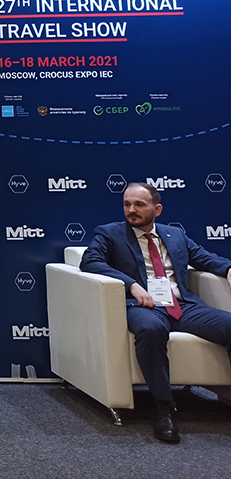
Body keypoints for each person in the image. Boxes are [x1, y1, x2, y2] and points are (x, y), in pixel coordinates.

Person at [81, 182, 231, 444]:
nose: (131, 210)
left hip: (182, 306)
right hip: (141, 306)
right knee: (151, 329)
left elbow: (205, 258)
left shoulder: (175, 235)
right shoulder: (110, 233)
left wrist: (228, 268)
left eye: (139, 204)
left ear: (157, 209)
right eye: (127, 204)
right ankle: (164, 408)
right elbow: (90, 261)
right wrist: (131, 285)